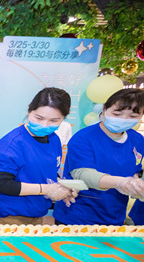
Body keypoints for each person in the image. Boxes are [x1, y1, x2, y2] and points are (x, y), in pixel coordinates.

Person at [0, 87, 77, 225]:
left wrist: (63, 189)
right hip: (8, 217)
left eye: (54, 120)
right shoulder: (12, 143)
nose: (45, 125)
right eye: (39, 118)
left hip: (37, 214)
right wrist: (46, 189)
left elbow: (49, 174)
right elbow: (2, 184)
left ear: (63, 118)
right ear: (29, 111)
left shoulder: (54, 140)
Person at [53, 88, 144, 226]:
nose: (123, 119)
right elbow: (84, 174)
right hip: (78, 216)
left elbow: (135, 171)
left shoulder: (137, 140)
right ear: (104, 109)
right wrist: (121, 182)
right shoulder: (83, 138)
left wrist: (137, 185)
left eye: (132, 116)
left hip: (114, 215)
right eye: (117, 113)